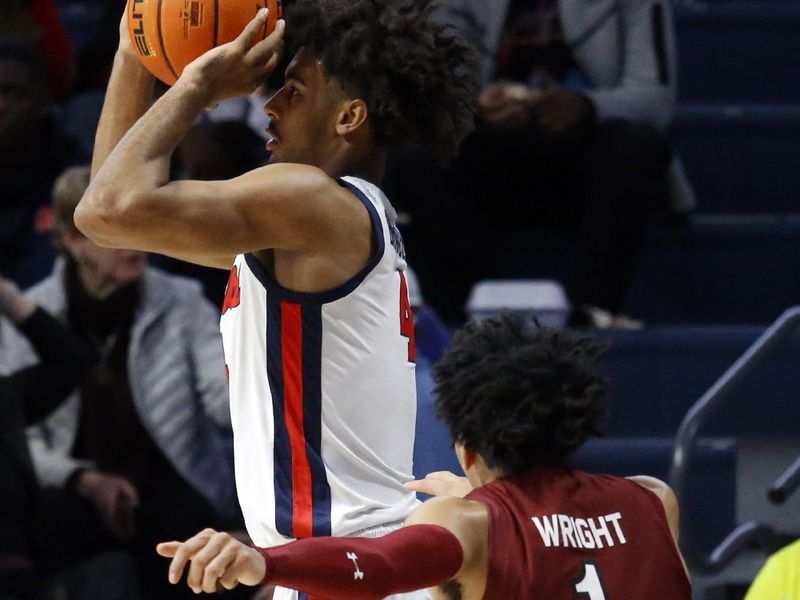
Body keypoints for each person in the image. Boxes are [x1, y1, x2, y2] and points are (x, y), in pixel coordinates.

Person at [75, 1, 479, 598]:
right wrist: (135, 52)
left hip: (349, 563)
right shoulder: (319, 224)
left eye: (293, 90)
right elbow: (112, 213)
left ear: (350, 116)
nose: (270, 105)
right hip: (336, 563)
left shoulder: (311, 202)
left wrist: (193, 86)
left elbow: (106, 210)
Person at [155, 313, 691, 599]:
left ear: (467, 446)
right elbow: (562, 535)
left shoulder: (469, 522)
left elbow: (380, 566)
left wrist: (265, 562)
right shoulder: (652, 501)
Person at [0, 165, 240, 600]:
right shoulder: (34, 315)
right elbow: (18, 437)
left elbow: (223, 399)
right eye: (115, 227)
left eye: (140, 222)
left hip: (170, 484)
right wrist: (84, 480)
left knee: (191, 529)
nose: (136, 239)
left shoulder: (181, 300)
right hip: (73, 491)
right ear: (71, 241)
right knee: (55, 523)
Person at [384, 0, 686, 327]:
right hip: (494, 152)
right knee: (416, 157)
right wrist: (477, 106)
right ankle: (483, 313)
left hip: (590, 154)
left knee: (638, 147)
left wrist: (587, 107)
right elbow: (434, 92)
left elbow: (654, 98)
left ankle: (592, 312)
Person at [0, 276, 139, 600]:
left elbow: (70, 362)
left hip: (24, 576)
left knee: (113, 571)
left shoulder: (4, 399)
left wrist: (8, 298)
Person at [0, 38, 86, 288]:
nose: (2, 106)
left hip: (55, 316)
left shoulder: (78, 170)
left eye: (16, 93)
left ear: (43, 96)